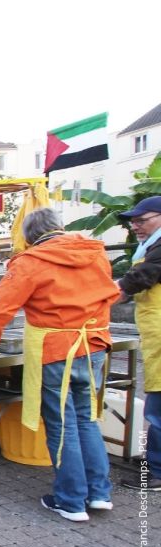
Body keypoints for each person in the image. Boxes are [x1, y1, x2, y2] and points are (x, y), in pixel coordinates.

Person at [0, 208, 120, 521]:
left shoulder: (31, 261)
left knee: (62, 424)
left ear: (29, 237)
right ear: (60, 227)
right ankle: (98, 494)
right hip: (94, 344)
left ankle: (70, 500)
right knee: (87, 419)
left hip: (56, 350)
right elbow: (111, 294)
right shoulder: (95, 253)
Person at [115, 196, 161, 491]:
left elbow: (138, 278)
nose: (136, 227)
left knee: (157, 406)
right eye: (133, 222)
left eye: (141, 220)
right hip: (152, 331)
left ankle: (156, 471)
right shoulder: (151, 246)